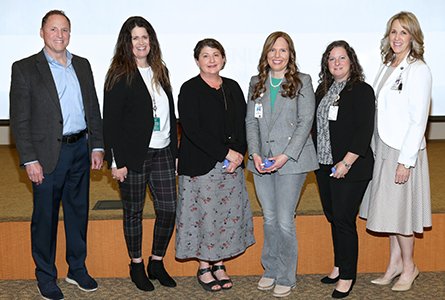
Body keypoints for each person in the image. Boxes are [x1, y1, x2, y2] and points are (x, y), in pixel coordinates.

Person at [9, 10, 103, 300]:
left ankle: (76, 269)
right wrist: (29, 159)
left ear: (69, 33)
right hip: (47, 155)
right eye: (53, 29)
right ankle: (45, 276)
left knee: (78, 214)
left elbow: (93, 108)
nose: (59, 35)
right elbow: (19, 119)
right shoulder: (25, 68)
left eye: (64, 30)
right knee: (45, 219)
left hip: (80, 151)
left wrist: (97, 145)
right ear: (42, 32)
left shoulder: (83, 65)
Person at [103, 16, 177, 291]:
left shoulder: (161, 70)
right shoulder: (119, 74)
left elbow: (169, 112)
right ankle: (136, 265)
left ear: (151, 41)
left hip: (163, 152)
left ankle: (155, 261)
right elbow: (110, 121)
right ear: (127, 42)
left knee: (169, 209)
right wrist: (116, 161)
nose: (141, 42)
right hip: (133, 155)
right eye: (135, 37)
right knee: (133, 212)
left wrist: (175, 151)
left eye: (145, 37)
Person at [359, 11, 432, 292]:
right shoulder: (389, 64)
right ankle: (394, 264)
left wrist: (406, 161)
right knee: (390, 211)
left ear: (413, 36)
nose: (397, 37)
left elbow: (418, 120)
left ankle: (410, 266)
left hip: (402, 151)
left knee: (401, 213)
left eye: (403, 32)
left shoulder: (418, 69)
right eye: (393, 32)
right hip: (383, 147)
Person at [175, 38, 255, 292]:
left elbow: (244, 123)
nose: (211, 60)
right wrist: (226, 153)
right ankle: (204, 267)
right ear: (197, 60)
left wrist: (239, 154)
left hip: (231, 167)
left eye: (216, 55)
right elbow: (192, 129)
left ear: (223, 59)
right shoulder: (189, 89)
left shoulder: (232, 87)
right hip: (201, 166)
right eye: (205, 55)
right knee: (204, 217)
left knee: (224, 217)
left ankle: (219, 264)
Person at [245, 31, 318, 298]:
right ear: (266, 54)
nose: (277, 55)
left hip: (291, 161)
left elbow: (305, 122)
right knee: (270, 218)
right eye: (273, 50)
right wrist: (253, 153)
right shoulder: (256, 82)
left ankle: (287, 276)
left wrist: (285, 155)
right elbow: (251, 122)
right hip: (261, 161)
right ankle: (271, 269)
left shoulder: (302, 82)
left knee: (285, 221)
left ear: (291, 55)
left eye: (283, 50)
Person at [313, 40, 375, 298]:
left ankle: (348, 275)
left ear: (351, 61)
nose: (337, 63)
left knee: (344, 220)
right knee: (333, 217)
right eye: (331, 59)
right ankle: (339, 265)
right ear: (326, 64)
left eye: (341, 58)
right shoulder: (321, 89)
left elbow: (364, 131)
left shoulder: (361, 90)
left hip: (351, 167)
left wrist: (346, 162)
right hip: (324, 165)